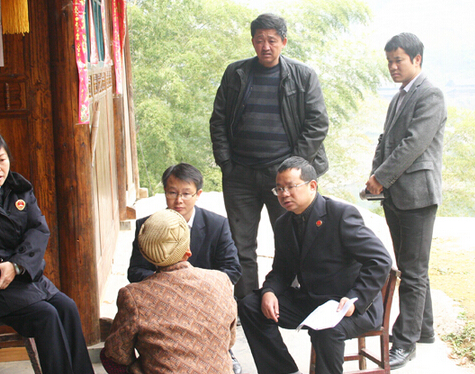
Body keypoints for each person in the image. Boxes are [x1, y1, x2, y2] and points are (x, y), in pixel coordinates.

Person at [0, 128, 94, 374]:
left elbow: (38, 229)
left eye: (2, 159)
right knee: (46, 316)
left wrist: (17, 265)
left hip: (23, 275)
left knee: (67, 307)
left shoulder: (18, 189)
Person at [210, 13, 329, 299]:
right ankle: (247, 304)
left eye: (272, 40)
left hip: (284, 179)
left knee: (291, 240)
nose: (266, 46)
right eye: (260, 40)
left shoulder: (302, 75)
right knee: (241, 244)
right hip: (240, 175)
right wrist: (226, 162)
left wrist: (293, 168)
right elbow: (218, 119)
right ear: (253, 42)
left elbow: (318, 123)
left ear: (283, 42)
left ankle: (287, 301)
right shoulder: (236, 73)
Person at [239, 156, 392, 374]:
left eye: (290, 187)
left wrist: (355, 299)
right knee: (251, 305)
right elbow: (282, 270)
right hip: (312, 301)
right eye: (279, 189)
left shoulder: (339, 215)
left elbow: (380, 259)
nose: (284, 194)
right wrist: (269, 291)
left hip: (349, 306)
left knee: (326, 330)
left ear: (312, 186)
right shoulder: (284, 223)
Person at [365, 33, 447, 369]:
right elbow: (386, 140)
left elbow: (413, 145)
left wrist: (381, 177)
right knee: (412, 268)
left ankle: (404, 342)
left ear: (417, 59)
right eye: (389, 61)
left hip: (418, 196)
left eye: (398, 60)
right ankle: (424, 330)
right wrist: (375, 176)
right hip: (395, 195)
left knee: (411, 272)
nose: (393, 67)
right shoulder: (400, 95)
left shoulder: (430, 94)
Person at [128, 162, 242, 373]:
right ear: (164, 192)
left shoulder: (217, 225)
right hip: (163, 302)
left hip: (205, 301)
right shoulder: (147, 226)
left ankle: (223, 351)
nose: (178, 200)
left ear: (198, 194)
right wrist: (168, 286)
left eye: (186, 194)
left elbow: (232, 268)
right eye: (172, 192)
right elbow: (135, 270)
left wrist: (197, 285)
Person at [103, 209, 237, 374]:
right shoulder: (221, 281)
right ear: (187, 250)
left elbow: (116, 354)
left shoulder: (134, 296)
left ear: (145, 253)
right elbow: (229, 341)